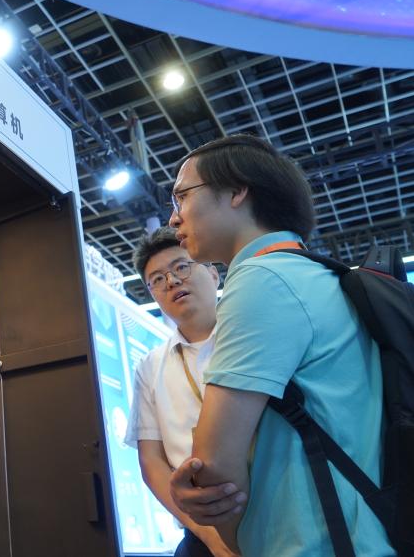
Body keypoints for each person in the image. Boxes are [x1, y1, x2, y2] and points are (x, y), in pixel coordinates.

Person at [165, 134, 394, 556]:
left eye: (182, 196)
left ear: (237, 190)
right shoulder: (316, 274)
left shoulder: (262, 279)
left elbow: (215, 465)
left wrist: (232, 538)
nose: (173, 219)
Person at [123, 227, 234, 557]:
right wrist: (209, 537)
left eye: (181, 267)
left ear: (213, 274)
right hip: (201, 532)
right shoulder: (150, 366)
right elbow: (151, 461)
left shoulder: (251, 335)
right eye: (157, 280)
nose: (171, 281)